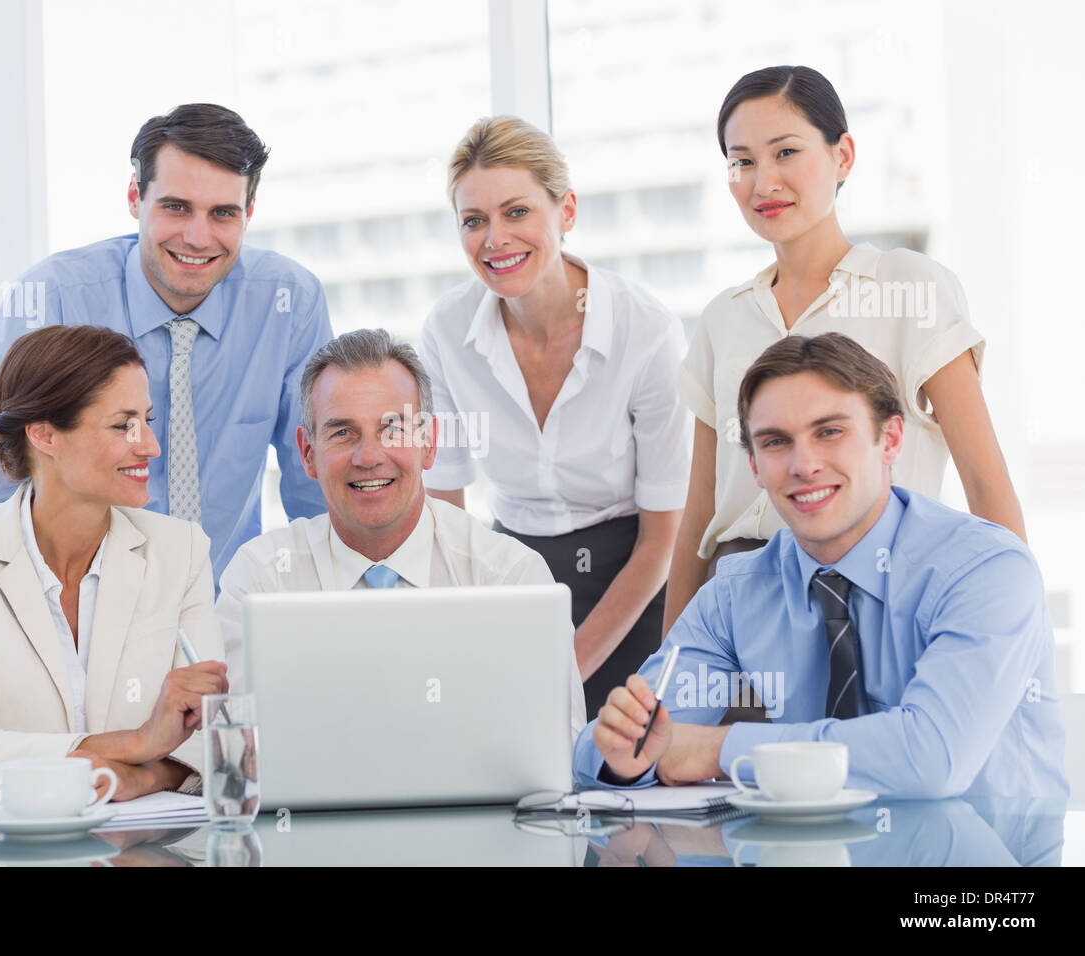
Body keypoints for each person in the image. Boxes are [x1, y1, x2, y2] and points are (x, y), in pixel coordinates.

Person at [574, 333, 1067, 800]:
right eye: (774, 442)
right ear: (754, 467)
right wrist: (625, 756)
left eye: (829, 431)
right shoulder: (736, 595)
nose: (803, 465)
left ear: (891, 439)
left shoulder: (986, 571)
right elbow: (605, 746)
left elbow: (931, 756)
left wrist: (717, 749)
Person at [663, 66, 1026, 639]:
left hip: (871, 592)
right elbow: (698, 518)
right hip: (736, 603)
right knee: (715, 733)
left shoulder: (910, 288)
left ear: (844, 156)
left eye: (786, 152)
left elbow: (986, 484)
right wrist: (672, 667)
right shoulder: (722, 317)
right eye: (743, 161)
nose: (763, 182)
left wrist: (1015, 647)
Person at [0, 103, 332, 586]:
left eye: (223, 214)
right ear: (135, 197)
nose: (197, 237)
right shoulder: (52, 299)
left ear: (248, 212)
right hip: (74, 614)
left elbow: (318, 486)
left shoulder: (288, 303)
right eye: (176, 207)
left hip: (221, 613)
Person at [420, 116, 690, 721]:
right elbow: (446, 517)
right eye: (474, 220)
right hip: (514, 574)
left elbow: (661, 543)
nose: (495, 238)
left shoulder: (645, 332)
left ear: (565, 211)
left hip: (635, 579)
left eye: (517, 212)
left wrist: (559, 670)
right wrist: (464, 642)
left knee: (620, 770)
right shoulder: (446, 331)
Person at [0, 326, 228, 823]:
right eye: (124, 425)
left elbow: (216, 734)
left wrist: (138, 777)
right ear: (44, 434)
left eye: (147, 420)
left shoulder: (180, 551)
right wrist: (138, 743)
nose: (151, 447)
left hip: (133, 854)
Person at [216, 328, 586, 740]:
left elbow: (559, 747)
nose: (369, 457)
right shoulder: (259, 583)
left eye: (393, 429)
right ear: (307, 454)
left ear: (429, 443)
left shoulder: (511, 578)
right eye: (343, 433)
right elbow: (234, 751)